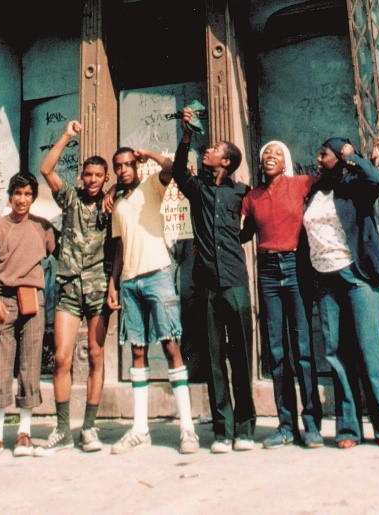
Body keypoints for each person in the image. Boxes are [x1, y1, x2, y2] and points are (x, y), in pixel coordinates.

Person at [302, 138, 379, 451]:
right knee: (336, 351)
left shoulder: (354, 185)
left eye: (324, 153)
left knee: (368, 348)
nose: (318, 158)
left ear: (339, 156)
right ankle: (348, 427)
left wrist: (354, 157)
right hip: (325, 277)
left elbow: (378, 181)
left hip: (356, 274)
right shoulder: (317, 191)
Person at [106, 145, 199, 455]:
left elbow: (171, 167)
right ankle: (140, 428)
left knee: (171, 345)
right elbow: (119, 245)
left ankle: (187, 427)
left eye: (129, 164)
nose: (123, 170)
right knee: (137, 350)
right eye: (118, 166)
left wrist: (150, 155)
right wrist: (113, 281)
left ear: (137, 165)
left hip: (158, 274)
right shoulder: (117, 203)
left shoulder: (150, 186)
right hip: (130, 281)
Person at [172, 108, 255, 454]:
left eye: (215, 149)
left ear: (227, 161)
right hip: (206, 284)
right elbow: (178, 170)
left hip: (235, 281)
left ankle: (246, 428)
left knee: (241, 355)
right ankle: (222, 430)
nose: (208, 151)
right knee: (213, 357)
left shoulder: (241, 193)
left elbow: (251, 228)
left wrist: (236, 241)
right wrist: (187, 132)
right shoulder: (198, 189)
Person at [241, 142, 323, 449]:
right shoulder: (253, 197)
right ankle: (286, 425)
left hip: (296, 266)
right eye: (265, 156)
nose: (269, 159)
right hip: (268, 271)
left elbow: (331, 181)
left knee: (303, 349)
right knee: (277, 350)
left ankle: (312, 424)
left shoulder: (300, 184)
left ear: (285, 159)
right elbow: (241, 230)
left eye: (275, 154)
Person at [39, 120, 113, 452]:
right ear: (81, 176)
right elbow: (46, 168)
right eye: (88, 175)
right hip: (69, 287)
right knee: (62, 356)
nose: (93, 180)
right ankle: (62, 428)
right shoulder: (69, 199)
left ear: (106, 178)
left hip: (98, 288)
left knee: (96, 355)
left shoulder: (112, 205)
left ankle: (90, 428)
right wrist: (67, 136)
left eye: (99, 176)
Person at [0, 172, 56, 459]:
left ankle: (24, 433)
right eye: (17, 194)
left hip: (32, 297)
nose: (22, 200)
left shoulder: (42, 227)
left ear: (34, 198)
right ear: (10, 196)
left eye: (27, 194)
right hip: (3, 300)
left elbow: (59, 249)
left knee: (30, 363)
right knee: (1, 362)